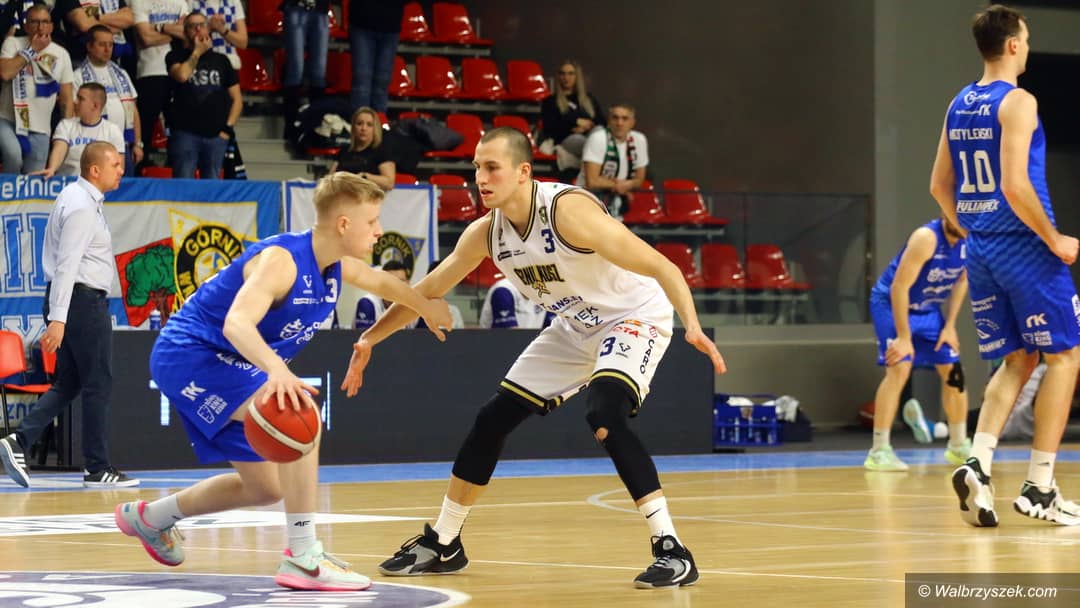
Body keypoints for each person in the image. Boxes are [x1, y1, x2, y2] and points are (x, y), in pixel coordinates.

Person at [345, 127, 726, 588]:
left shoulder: (568, 213)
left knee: (604, 412)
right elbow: (426, 290)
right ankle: (444, 541)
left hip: (632, 315)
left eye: (492, 168)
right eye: (476, 168)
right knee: (491, 419)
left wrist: (692, 324)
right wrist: (369, 338)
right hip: (574, 325)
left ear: (524, 172)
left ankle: (672, 549)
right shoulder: (487, 233)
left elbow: (663, 266)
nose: (480, 178)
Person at [111, 173, 453, 590]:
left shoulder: (335, 265)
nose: (379, 230)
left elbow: (382, 282)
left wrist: (425, 307)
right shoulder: (282, 261)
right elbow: (237, 323)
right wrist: (277, 369)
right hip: (190, 355)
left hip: (228, 362)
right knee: (298, 413)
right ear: (344, 224)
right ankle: (303, 556)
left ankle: (150, 518)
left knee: (266, 488)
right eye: (372, 221)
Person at [930, 4, 1080, 527]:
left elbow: (938, 186)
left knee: (1017, 359)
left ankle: (978, 463)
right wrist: (1053, 238)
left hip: (981, 250)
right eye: (1027, 39)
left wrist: (973, 227)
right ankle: (1040, 486)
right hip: (1025, 246)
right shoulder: (1017, 101)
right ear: (1013, 44)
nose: (1028, 47)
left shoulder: (958, 102)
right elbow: (1015, 185)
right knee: (1065, 357)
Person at [0, 142, 137, 489]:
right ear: (95, 169)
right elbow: (67, 265)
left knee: (69, 383)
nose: (122, 170)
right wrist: (58, 319)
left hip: (75, 302)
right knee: (98, 383)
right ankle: (97, 468)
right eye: (116, 165)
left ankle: (19, 440)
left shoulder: (78, 198)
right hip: (81, 302)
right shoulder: (81, 206)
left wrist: (60, 314)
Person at [865, 216, 971, 471]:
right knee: (899, 368)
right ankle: (879, 450)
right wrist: (904, 337)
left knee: (954, 373)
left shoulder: (973, 242)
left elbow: (962, 281)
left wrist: (950, 326)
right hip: (891, 304)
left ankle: (958, 446)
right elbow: (899, 287)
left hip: (929, 310)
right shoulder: (926, 238)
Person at [165, 11, 241, 179]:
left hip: (216, 136)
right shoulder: (175, 56)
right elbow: (182, 75)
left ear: (208, 29)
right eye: (193, 26)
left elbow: (237, 99)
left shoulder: (222, 61)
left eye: (202, 25)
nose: (198, 30)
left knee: (211, 187)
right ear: (185, 31)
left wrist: (227, 129)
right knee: (183, 184)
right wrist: (197, 53)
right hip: (185, 134)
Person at [0, 4, 74, 174]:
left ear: (52, 26)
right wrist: (32, 50)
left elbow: (66, 98)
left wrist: (68, 131)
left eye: (45, 22)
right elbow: (5, 73)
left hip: (40, 128)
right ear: (26, 25)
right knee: (13, 156)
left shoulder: (62, 54)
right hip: (7, 120)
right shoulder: (13, 43)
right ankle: (6, 190)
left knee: (34, 178)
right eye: (35, 22)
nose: (41, 27)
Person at [74, 25, 141, 173]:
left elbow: (133, 109)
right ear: (89, 46)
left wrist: (137, 143)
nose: (107, 49)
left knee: (125, 187)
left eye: (110, 45)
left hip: (123, 145)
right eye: (102, 44)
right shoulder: (78, 76)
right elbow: (76, 113)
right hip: (95, 147)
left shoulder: (121, 73)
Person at [131, 0, 187, 162]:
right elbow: (146, 38)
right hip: (149, 72)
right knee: (146, 129)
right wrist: (174, 32)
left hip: (178, 71)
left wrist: (160, 27)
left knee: (178, 130)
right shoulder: (139, 2)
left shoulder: (181, 3)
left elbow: (188, 34)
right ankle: (141, 169)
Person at [37, 82, 124, 178]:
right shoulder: (66, 125)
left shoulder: (113, 131)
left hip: (98, 184)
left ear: (95, 106)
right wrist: (52, 168)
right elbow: (59, 149)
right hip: (68, 182)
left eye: (81, 99)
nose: (75, 101)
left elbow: (118, 167)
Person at [578, 103, 648, 219]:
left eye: (624, 118)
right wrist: (618, 185)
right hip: (588, 199)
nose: (619, 123)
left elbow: (639, 179)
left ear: (632, 122)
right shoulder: (598, 138)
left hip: (616, 201)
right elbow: (592, 181)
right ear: (609, 121)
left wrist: (626, 185)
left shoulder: (639, 140)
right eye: (615, 118)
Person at [539, 60, 604, 173]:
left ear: (577, 76)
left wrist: (586, 127)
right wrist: (576, 122)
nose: (566, 77)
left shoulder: (588, 98)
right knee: (582, 141)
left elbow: (602, 121)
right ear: (558, 76)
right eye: (562, 73)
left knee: (599, 131)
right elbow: (550, 128)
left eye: (570, 73)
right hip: (567, 138)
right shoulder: (550, 101)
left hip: (590, 135)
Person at [280, 0, 328, 144]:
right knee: (296, 69)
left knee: (319, 73)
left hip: (320, 9)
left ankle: (316, 127)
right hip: (296, 6)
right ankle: (291, 128)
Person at [348, 0, 404, 113]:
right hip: (362, 20)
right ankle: (360, 122)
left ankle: (378, 121)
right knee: (362, 82)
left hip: (391, 24)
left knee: (382, 83)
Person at [329, 106, 395, 191]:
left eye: (369, 125)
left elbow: (389, 183)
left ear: (375, 128)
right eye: (359, 124)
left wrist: (365, 177)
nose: (363, 128)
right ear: (353, 127)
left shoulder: (382, 151)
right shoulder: (344, 151)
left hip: (369, 196)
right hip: (343, 195)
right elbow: (330, 179)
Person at [354, 259, 414, 330]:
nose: (396, 286)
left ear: (408, 284)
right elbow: (364, 336)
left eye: (401, 281)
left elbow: (423, 334)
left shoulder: (416, 307)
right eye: (391, 282)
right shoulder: (368, 304)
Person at [187, 0, 246, 71]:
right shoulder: (192, 2)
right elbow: (186, 37)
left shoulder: (234, 2)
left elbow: (243, 43)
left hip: (230, 63)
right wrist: (209, 27)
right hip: (203, 63)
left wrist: (221, 29)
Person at [479, 276, 552, 329]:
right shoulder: (503, 291)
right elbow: (511, 336)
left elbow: (552, 328)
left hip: (530, 344)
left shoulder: (544, 292)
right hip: (498, 344)